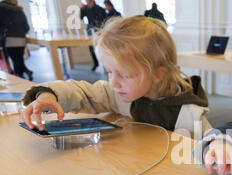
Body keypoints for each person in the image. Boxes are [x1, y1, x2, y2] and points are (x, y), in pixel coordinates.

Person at [21, 16, 211, 136]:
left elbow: (214, 143)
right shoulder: (121, 94)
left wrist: (218, 145)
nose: (113, 82)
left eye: (125, 75)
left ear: (157, 75)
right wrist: (49, 95)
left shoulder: (190, 114)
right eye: (109, 71)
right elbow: (84, 92)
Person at [0, 0, 33, 80]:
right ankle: (25, 72)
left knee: (15, 59)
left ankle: (20, 76)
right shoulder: (19, 9)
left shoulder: (2, 9)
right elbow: (26, 26)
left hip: (9, 38)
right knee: (19, 58)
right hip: (21, 37)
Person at [80, 0, 107, 71]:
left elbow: (104, 20)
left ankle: (105, 64)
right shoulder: (85, 9)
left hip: (99, 29)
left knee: (102, 47)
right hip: (90, 29)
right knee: (91, 47)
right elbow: (81, 17)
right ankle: (95, 63)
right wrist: (81, 9)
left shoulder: (100, 8)